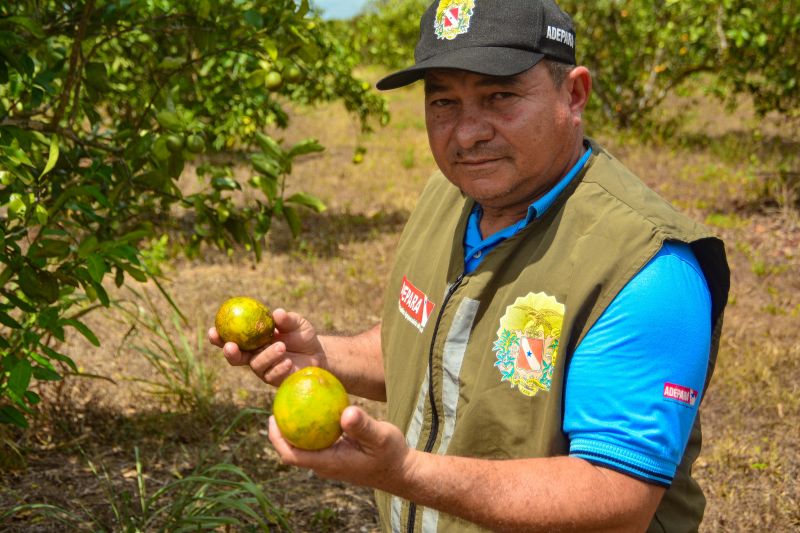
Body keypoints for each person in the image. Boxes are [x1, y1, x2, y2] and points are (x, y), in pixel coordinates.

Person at [209, 1, 730, 531]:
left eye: (499, 97)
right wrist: (323, 356)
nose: (466, 134)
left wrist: (406, 473)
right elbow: (429, 349)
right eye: (444, 102)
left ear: (573, 94)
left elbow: (616, 496)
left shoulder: (647, 266)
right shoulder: (449, 197)